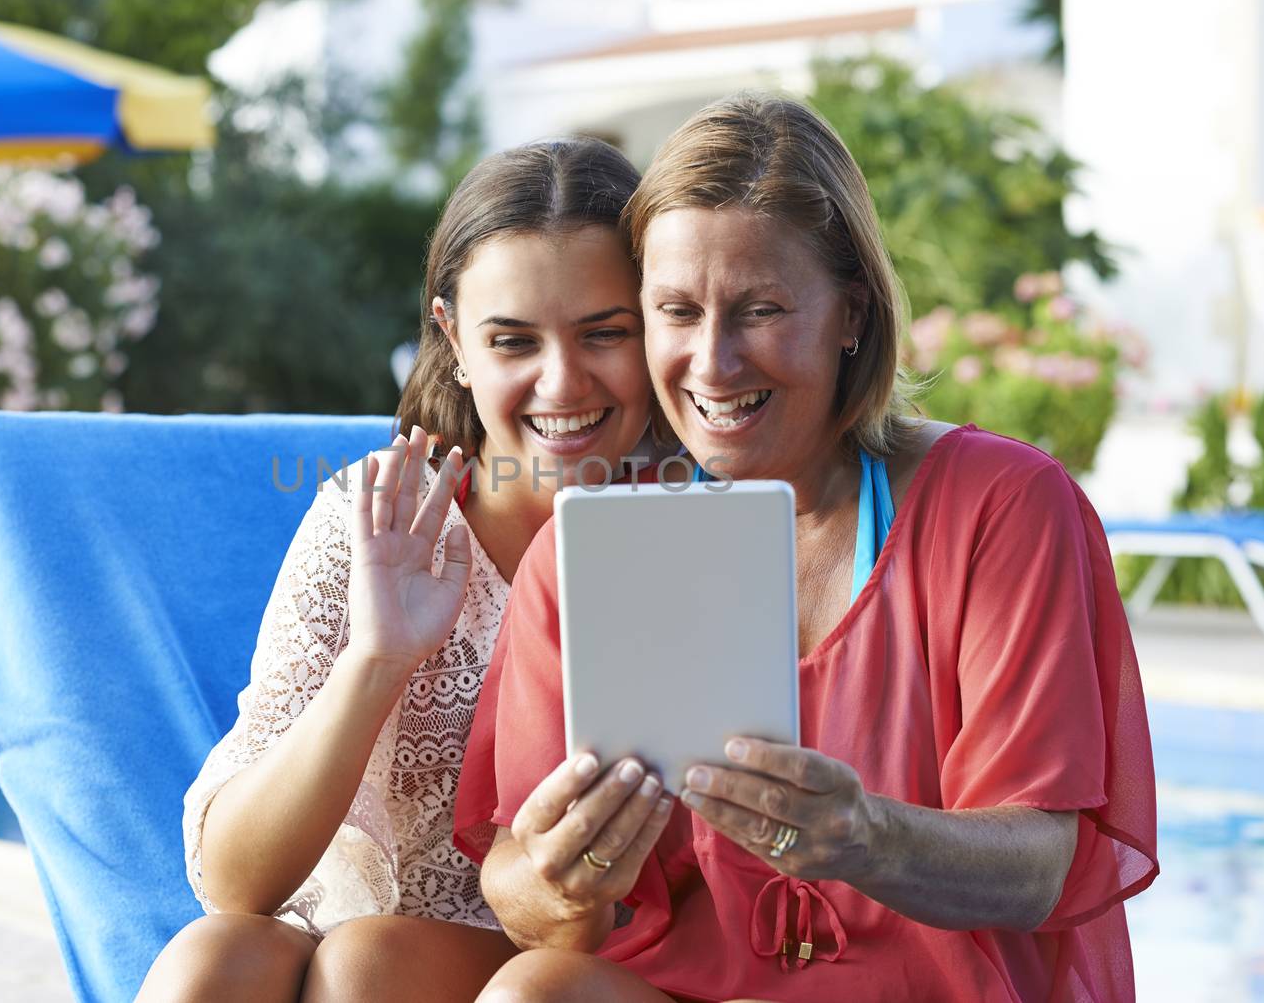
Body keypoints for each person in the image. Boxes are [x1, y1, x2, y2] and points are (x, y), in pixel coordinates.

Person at [453, 94, 1158, 1003]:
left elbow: (1041, 863)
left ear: (852, 315)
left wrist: (865, 835)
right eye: (675, 312)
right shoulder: (590, 551)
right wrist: (557, 876)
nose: (711, 363)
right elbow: (516, 892)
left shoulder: (999, 506)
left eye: (760, 310)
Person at [136, 137, 663, 1003]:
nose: (562, 382)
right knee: (214, 963)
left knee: (364, 968)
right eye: (513, 340)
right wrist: (377, 659)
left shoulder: (690, 530)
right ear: (454, 337)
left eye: (605, 333)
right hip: (354, 941)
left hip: (575, 960)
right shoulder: (371, 519)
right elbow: (234, 886)